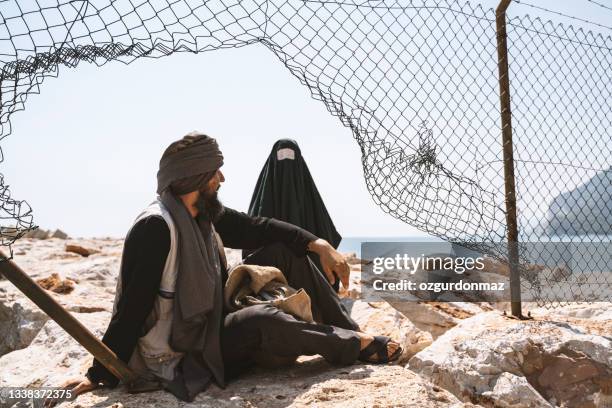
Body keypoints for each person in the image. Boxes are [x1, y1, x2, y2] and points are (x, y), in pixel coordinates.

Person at [56, 132, 402, 403]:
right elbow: (131, 308)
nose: (222, 177)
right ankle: (351, 346)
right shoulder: (156, 228)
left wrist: (320, 244)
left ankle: (350, 330)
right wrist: (99, 373)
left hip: (212, 322)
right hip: (180, 350)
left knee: (285, 252)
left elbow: (260, 227)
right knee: (263, 320)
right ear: (195, 177)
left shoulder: (203, 214)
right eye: (215, 171)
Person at [246, 139, 343, 292]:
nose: (286, 162)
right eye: (282, 156)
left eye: (290, 156)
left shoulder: (308, 194)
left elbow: (326, 232)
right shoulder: (265, 195)